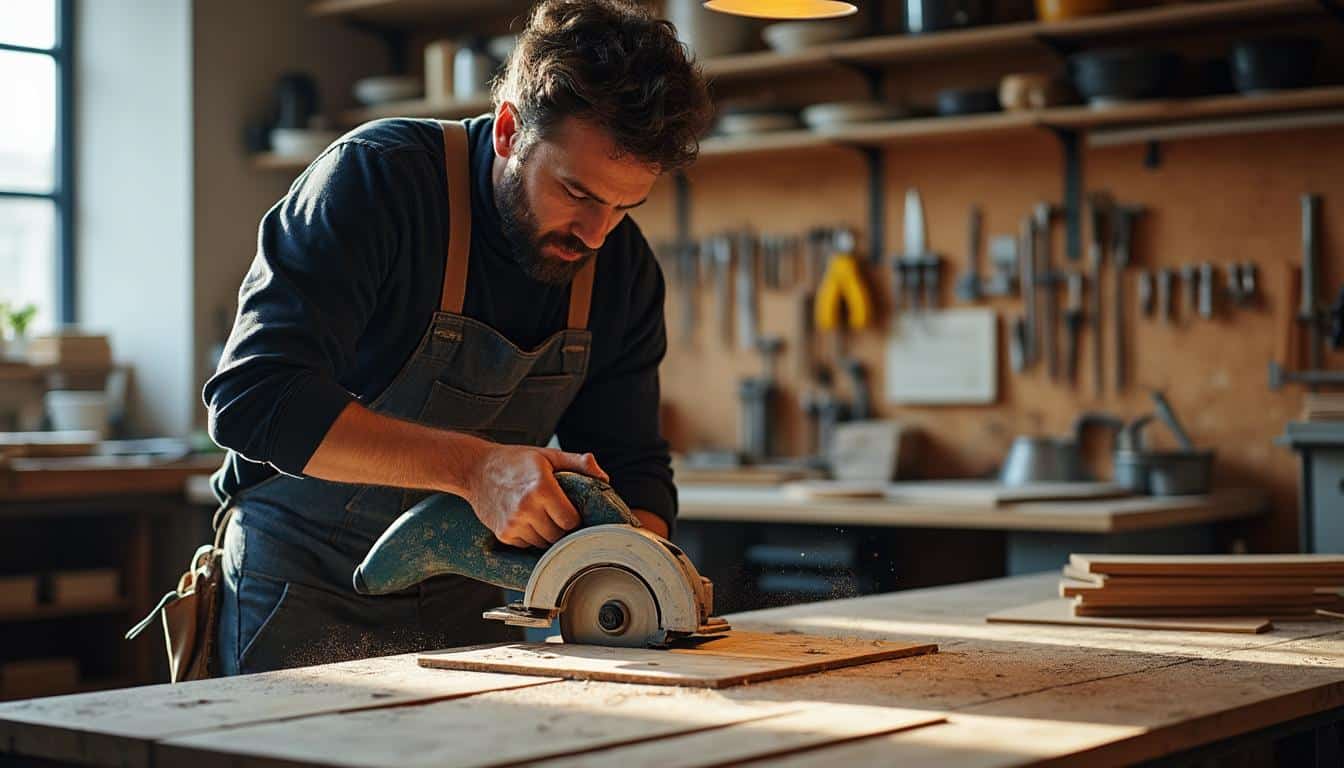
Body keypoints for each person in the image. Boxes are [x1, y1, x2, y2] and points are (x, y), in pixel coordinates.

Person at [202, 0, 713, 674]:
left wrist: (639, 568)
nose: (596, 234)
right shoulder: (379, 180)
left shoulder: (620, 268)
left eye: (625, 206)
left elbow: (634, 467)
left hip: (469, 608)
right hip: (301, 589)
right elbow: (255, 400)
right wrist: (476, 470)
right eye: (578, 193)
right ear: (508, 130)